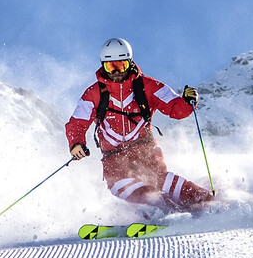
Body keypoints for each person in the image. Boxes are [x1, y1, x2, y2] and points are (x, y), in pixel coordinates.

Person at [65, 38, 214, 213]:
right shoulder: (94, 94)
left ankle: (207, 202)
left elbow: (175, 108)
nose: (116, 72)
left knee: (163, 181)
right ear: (103, 66)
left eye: (121, 65)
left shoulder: (147, 86)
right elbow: (77, 123)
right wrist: (76, 143)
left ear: (130, 62)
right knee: (122, 186)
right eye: (110, 67)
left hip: (145, 150)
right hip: (114, 158)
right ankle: (158, 213)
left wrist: (187, 102)